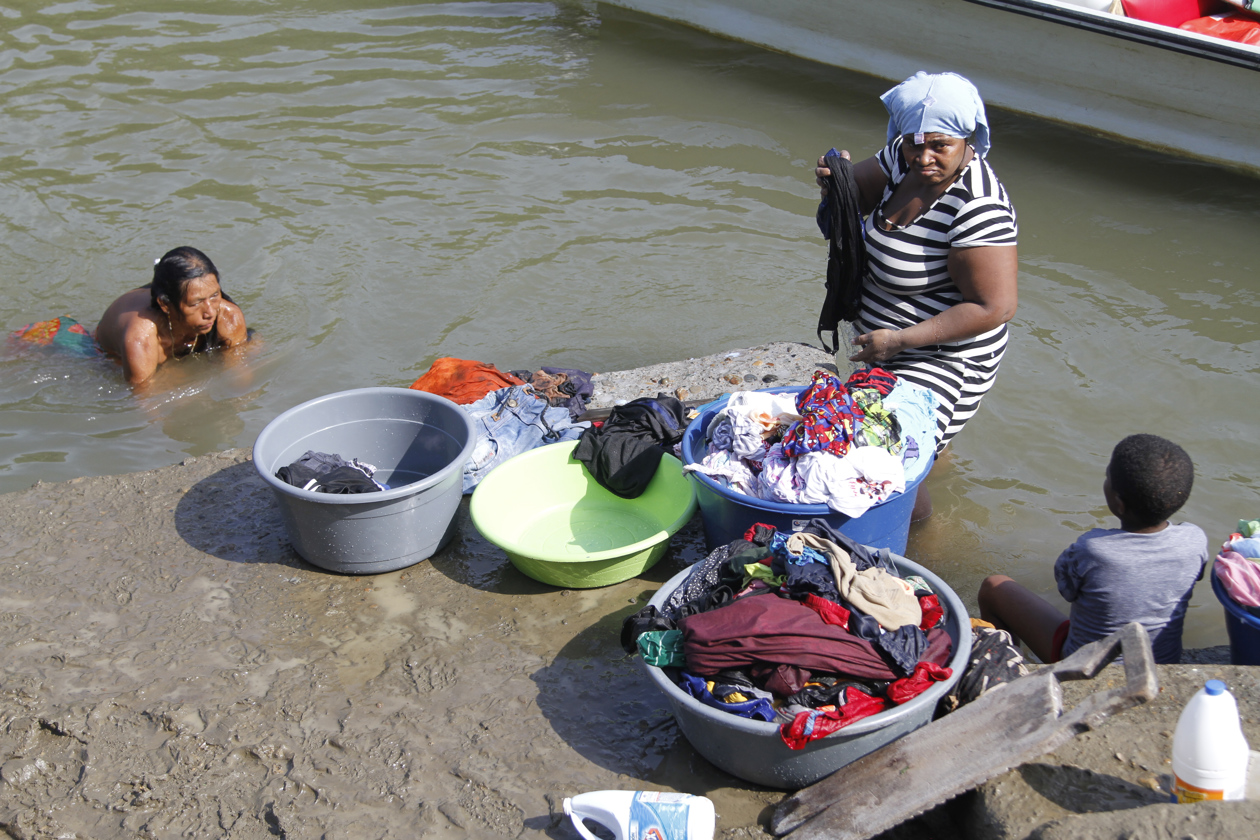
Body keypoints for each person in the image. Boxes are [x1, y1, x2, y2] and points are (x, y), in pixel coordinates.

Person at [815, 71, 1019, 518]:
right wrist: (836, 185)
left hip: (945, 353)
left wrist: (901, 340)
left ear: (969, 141)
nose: (924, 158)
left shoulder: (977, 206)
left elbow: (996, 305)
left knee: (887, 458)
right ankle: (936, 464)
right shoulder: (900, 156)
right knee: (916, 440)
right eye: (914, 144)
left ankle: (925, 537)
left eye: (940, 146)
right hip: (885, 339)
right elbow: (848, 213)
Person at [977, 434, 1207, 665]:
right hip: (1163, 662)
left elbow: (1067, 590)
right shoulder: (1195, 540)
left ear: (1119, 502)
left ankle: (1006, 669)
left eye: (1107, 477)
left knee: (994, 587)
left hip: (1085, 666)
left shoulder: (1092, 549)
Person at [95, 246, 247, 385]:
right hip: (102, 354)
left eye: (214, 295)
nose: (211, 312)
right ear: (165, 305)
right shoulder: (141, 337)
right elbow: (145, 401)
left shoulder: (228, 316)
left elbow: (241, 376)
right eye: (195, 304)